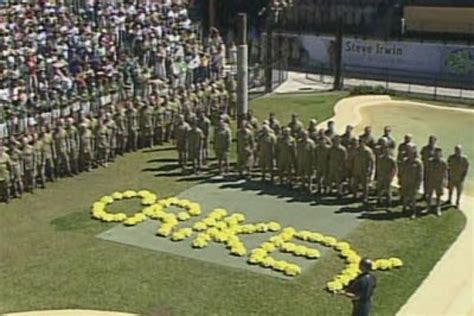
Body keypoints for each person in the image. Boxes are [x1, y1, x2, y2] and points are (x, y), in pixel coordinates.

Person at [400, 147, 423, 219]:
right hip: (405, 182)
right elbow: (402, 171)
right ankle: (404, 209)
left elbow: (420, 175)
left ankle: (413, 212)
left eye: (411, 153)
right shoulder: (405, 161)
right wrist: (401, 180)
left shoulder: (418, 163)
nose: (410, 154)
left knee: (413, 198)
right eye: (409, 153)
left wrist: (418, 185)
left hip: (413, 183)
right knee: (405, 196)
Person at [425, 148, 448, 216]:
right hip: (431, 180)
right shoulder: (430, 161)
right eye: (435, 153)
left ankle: (438, 208)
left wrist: (445, 181)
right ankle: (428, 207)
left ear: (440, 154)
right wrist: (426, 179)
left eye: (438, 154)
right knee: (429, 194)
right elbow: (427, 171)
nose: (436, 155)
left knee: (438, 195)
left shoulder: (443, 162)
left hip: (439, 181)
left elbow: (445, 173)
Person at [352, 138, 375, 203]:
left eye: (361, 142)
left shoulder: (367, 151)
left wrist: (370, 170)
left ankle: (365, 197)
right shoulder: (356, 150)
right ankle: (355, 195)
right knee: (355, 184)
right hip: (356, 169)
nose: (360, 144)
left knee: (365, 185)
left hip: (364, 170)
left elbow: (372, 161)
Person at [376, 139, 397, 207]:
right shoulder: (380, 158)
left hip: (388, 176)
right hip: (381, 176)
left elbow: (395, 168)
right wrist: (379, 174)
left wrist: (392, 176)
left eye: (386, 152)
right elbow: (378, 166)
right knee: (379, 189)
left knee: (388, 190)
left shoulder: (391, 160)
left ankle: (389, 202)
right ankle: (379, 201)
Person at [420, 135, 439, 200]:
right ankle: (425, 193)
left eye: (432, 140)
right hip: (425, 167)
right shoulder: (425, 148)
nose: (431, 142)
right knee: (425, 181)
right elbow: (422, 156)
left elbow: (439, 158)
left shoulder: (437, 149)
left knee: (431, 182)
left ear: (435, 141)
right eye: (430, 140)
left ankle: (430, 194)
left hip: (433, 169)